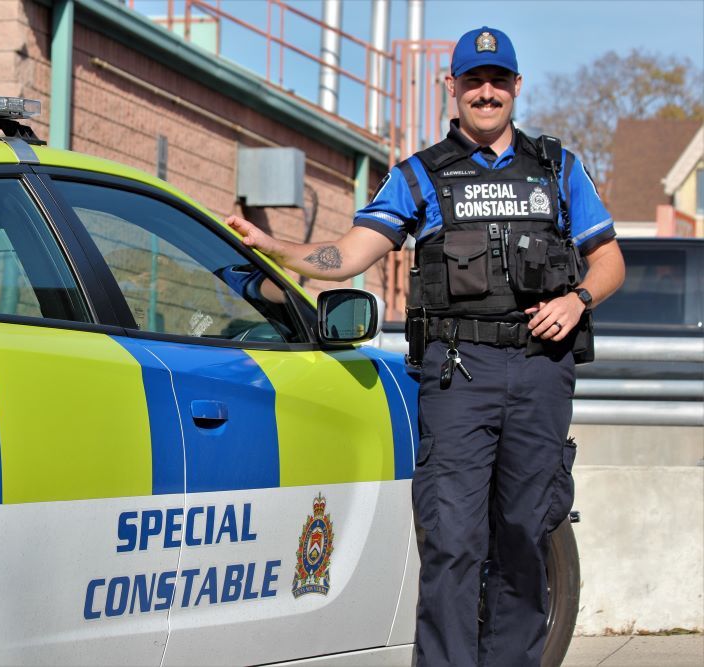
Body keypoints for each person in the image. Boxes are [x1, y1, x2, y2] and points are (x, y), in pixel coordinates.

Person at [225, 26, 625, 666]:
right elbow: (349, 253)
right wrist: (279, 249)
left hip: (540, 372)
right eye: (474, 81)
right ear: (452, 86)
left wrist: (577, 299)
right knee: (451, 540)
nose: (486, 92)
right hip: (458, 376)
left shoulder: (558, 169)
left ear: (517, 87)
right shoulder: (419, 175)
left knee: (526, 534)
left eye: (498, 81)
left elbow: (609, 261)